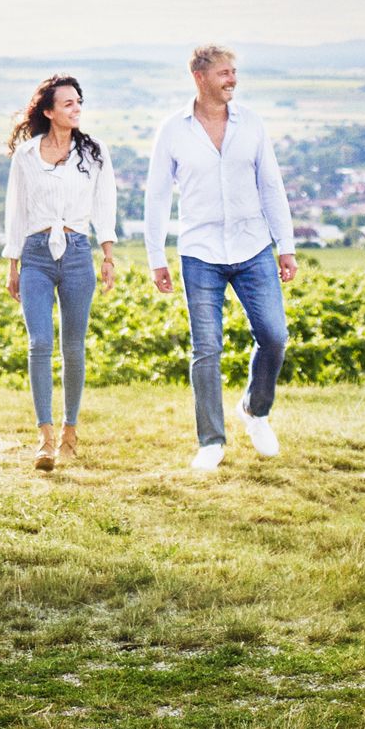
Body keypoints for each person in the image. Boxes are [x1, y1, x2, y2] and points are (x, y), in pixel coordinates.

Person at [145, 44, 296, 472]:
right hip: (200, 253)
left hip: (253, 248)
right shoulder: (173, 130)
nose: (232, 80)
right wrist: (156, 255)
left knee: (274, 336)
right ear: (200, 77)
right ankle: (211, 440)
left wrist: (285, 245)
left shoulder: (252, 124)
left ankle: (255, 409)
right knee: (206, 348)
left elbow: (271, 185)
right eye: (224, 73)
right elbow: (156, 196)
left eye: (234, 73)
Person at [1, 73, 117, 471]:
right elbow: (15, 211)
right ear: (49, 111)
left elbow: (105, 203)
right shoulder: (27, 156)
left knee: (73, 347)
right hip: (34, 254)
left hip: (78, 253)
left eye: (78, 102)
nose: (76, 108)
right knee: (39, 343)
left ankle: (71, 429)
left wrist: (108, 255)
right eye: (67, 103)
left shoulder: (95, 152)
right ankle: (45, 436)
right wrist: (12, 263)